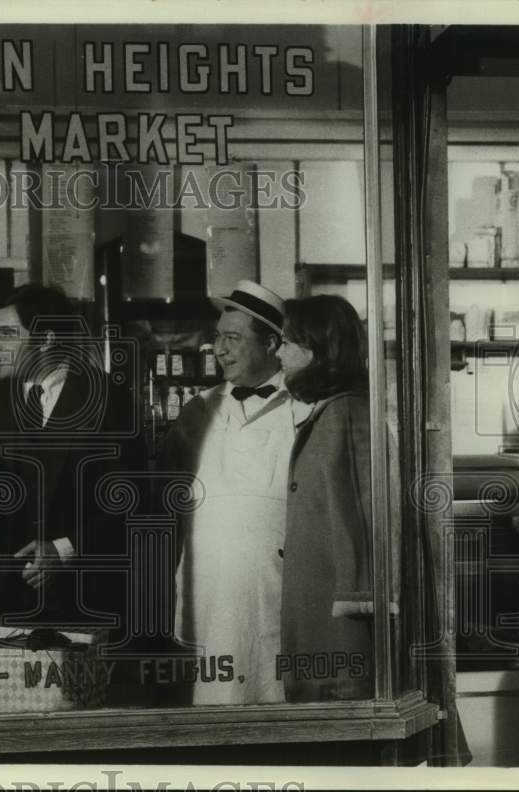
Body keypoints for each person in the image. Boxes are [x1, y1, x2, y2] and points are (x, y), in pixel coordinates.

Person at [0, 284, 143, 634]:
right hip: (12, 593)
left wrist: (62, 550)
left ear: (46, 339)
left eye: (6, 335)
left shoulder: (107, 398)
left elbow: (128, 500)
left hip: (83, 593)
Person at [160, 280, 310, 705]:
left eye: (233, 338)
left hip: (275, 588)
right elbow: (166, 505)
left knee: (276, 696)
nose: (220, 350)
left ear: (271, 343)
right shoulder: (197, 412)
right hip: (206, 590)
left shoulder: (304, 410)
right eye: (216, 338)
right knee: (214, 704)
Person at [275, 294, 374, 702]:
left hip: (340, 628)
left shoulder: (346, 414)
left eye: (286, 341)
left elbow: (364, 518)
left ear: (316, 348)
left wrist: (356, 604)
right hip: (321, 617)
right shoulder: (331, 412)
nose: (278, 351)